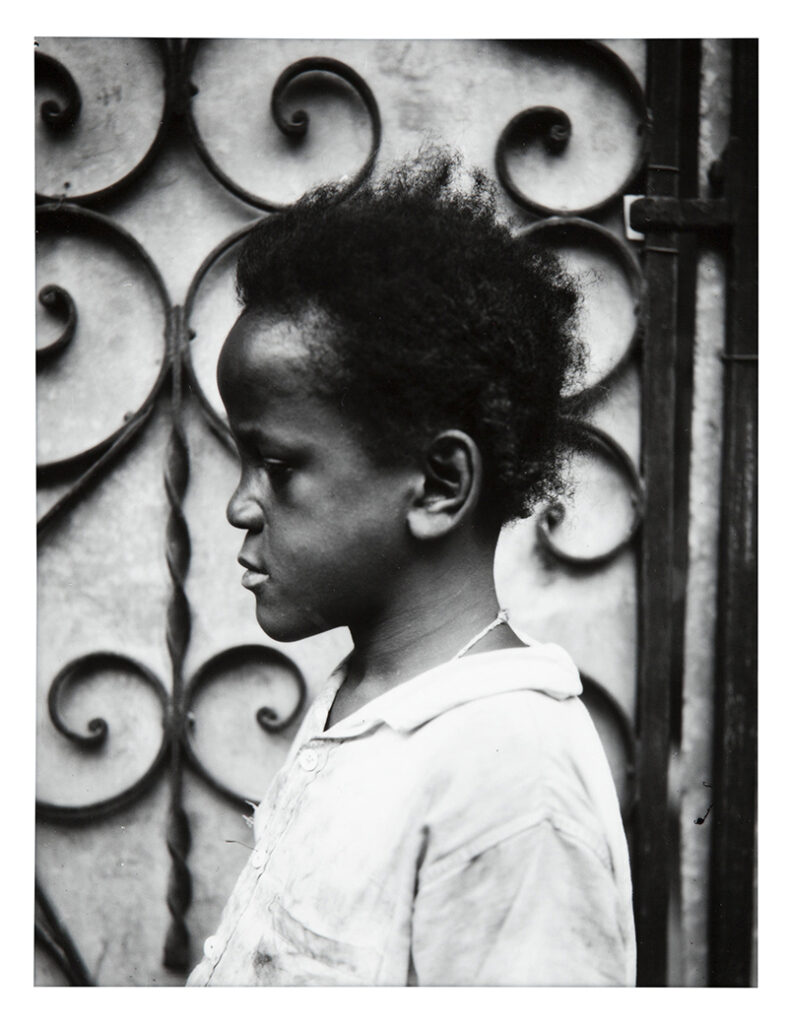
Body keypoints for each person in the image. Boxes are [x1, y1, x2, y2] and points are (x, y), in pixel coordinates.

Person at [186, 153, 636, 986]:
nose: (239, 507)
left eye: (276, 467)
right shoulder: (369, 698)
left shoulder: (514, 779)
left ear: (438, 484)